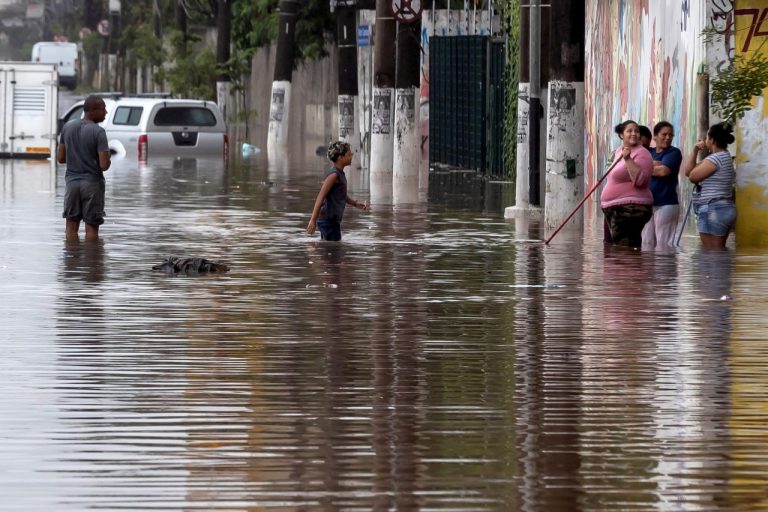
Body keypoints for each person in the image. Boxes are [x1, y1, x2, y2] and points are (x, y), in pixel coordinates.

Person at [58, 95, 111, 241]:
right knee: (92, 229)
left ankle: (71, 261)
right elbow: (104, 165)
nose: (106, 112)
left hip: (72, 185)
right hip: (92, 186)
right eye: (103, 109)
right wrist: (108, 157)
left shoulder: (67, 127)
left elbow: (60, 158)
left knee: (70, 227)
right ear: (92, 111)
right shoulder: (98, 132)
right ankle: (91, 261)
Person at [600, 120, 654, 247]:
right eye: (629, 131)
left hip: (631, 208)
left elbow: (641, 181)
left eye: (636, 131)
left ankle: (630, 267)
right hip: (613, 207)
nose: (634, 134)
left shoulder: (642, 153)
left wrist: (628, 159)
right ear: (621, 134)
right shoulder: (618, 151)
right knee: (616, 248)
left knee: (625, 248)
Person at [682, 122, 736, 249]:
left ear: (712, 140)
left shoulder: (716, 158)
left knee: (711, 252)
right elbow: (688, 171)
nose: (705, 140)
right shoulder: (722, 157)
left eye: (707, 138)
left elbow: (692, 176)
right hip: (722, 208)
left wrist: (696, 153)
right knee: (716, 251)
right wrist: (695, 150)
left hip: (713, 208)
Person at [306, 141, 369, 241]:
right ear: (340, 158)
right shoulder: (334, 175)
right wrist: (313, 220)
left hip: (332, 221)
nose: (351, 155)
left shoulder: (340, 174)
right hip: (328, 221)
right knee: (334, 251)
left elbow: (341, 195)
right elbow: (320, 197)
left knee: (331, 248)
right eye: (349, 154)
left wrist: (355, 203)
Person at [641, 121, 683, 248]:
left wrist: (644, 168)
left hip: (666, 203)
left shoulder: (674, 152)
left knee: (664, 244)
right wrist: (653, 165)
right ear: (655, 136)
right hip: (647, 204)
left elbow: (663, 171)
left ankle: (665, 268)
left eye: (671, 135)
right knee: (646, 243)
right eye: (664, 134)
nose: (668, 138)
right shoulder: (648, 152)